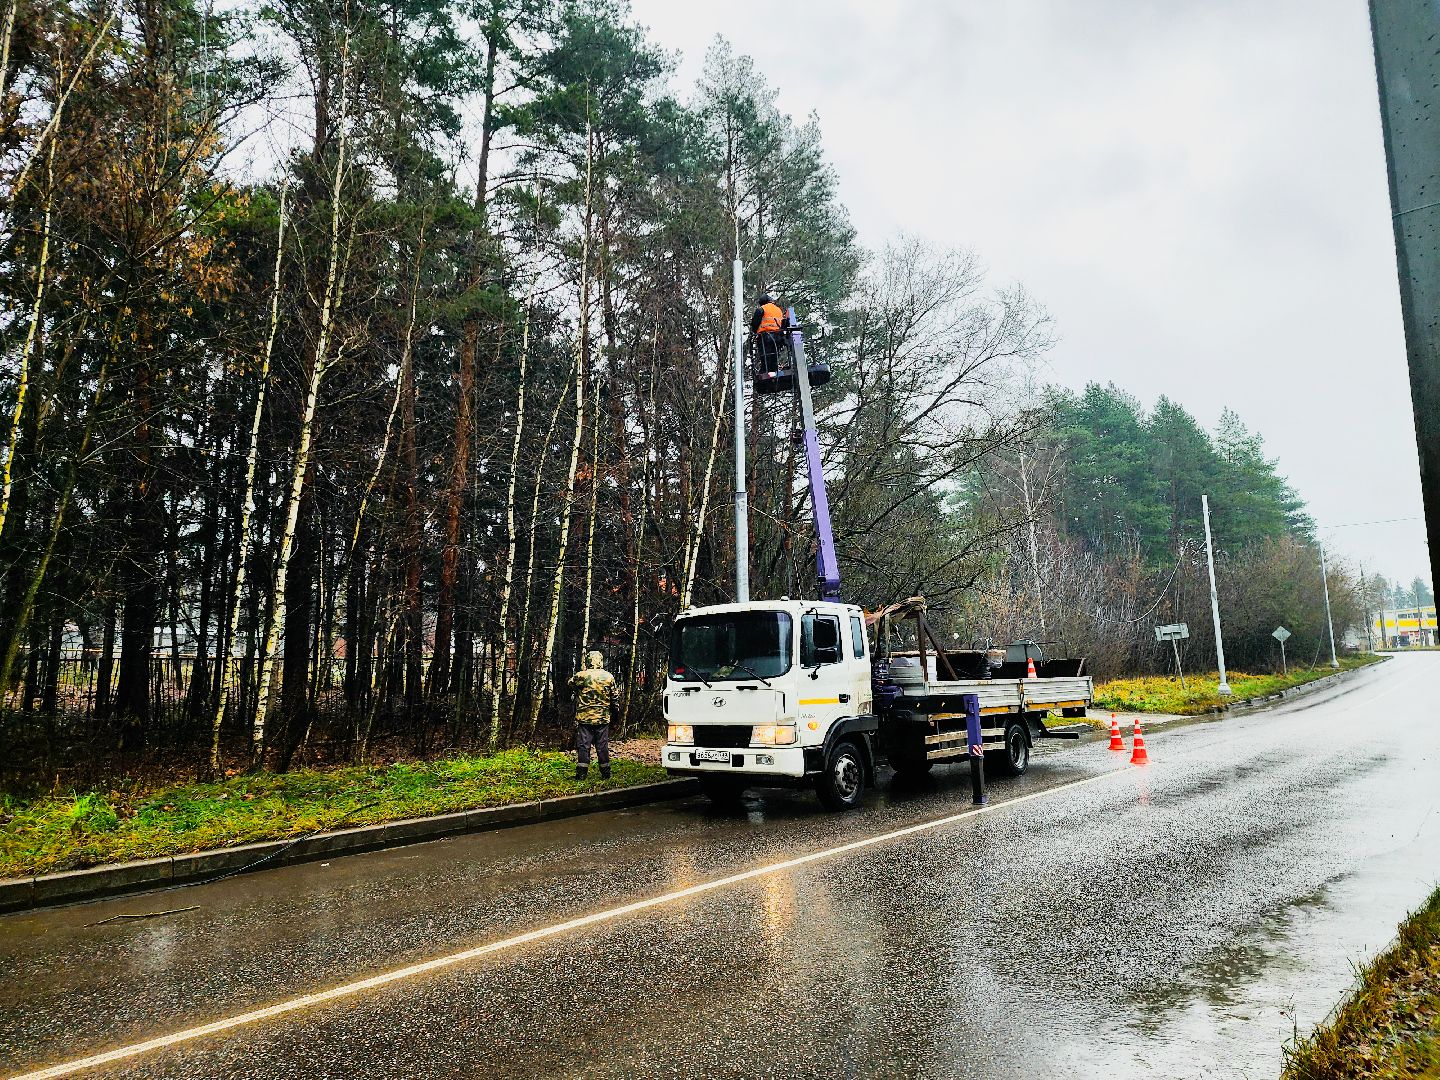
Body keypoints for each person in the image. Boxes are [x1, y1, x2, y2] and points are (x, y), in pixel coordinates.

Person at [569, 649, 617, 780]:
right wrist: (615, 714)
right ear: (600, 661)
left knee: (584, 745)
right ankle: (606, 773)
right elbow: (615, 698)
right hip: (602, 718)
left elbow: (570, 684)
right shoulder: (608, 676)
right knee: (602, 746)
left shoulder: (581, 675)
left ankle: (581, 774)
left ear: (588, 661)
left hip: (585, 718)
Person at [748, 292, 788, 374]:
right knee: (774, 356)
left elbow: (755, 323)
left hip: (766, 337)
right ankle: (774, 370)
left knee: (765, 357)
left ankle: (765, 371)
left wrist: (755, 331)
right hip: (778, 337)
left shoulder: (762, 309)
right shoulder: (778, 310)